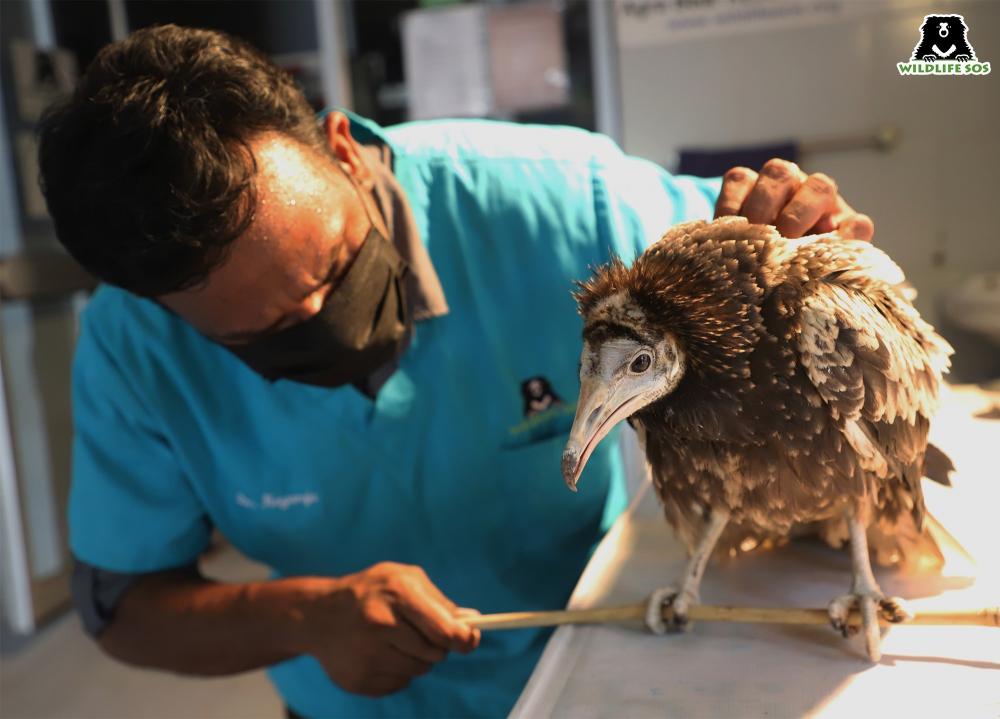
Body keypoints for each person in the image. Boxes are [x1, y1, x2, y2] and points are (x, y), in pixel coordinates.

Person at [37, 24, 874, 719]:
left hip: (596, 672)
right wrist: (303, 616)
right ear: (162, 310)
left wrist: (802, 246)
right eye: (265, 330)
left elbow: (796, 277)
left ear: (341, 147)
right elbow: (124, 607)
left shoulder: (564, 202)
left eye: (335, 264)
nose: (329, 318)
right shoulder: (133, 350)